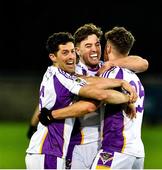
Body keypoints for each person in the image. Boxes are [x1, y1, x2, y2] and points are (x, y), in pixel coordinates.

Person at [25, 31, 136, 169]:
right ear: (53, 57)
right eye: (65, 53)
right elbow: (99, 97)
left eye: (72, 52)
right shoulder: (64, 77)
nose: (71, 56)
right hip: (51, 149)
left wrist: (120, 82)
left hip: (50, 149)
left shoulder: (56, 73)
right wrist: (127, 98)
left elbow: (88, 80)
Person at [91, 26, 145, 169]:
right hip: (137, 151)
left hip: (117, 147)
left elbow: (101, 94)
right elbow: (143, 63)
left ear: (108, 48)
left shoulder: (111, 73)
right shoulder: (133, 76)